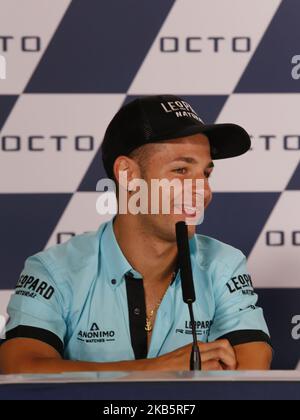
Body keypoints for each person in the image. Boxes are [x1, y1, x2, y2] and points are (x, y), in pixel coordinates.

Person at [0, 95, 272, 374]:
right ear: (127, 174)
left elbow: (251, 367)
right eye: (181, 170)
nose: (203, 191)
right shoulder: (54, 271)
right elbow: (20, 368)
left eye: (205, 174)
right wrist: (155, 370)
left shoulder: (223, 264)